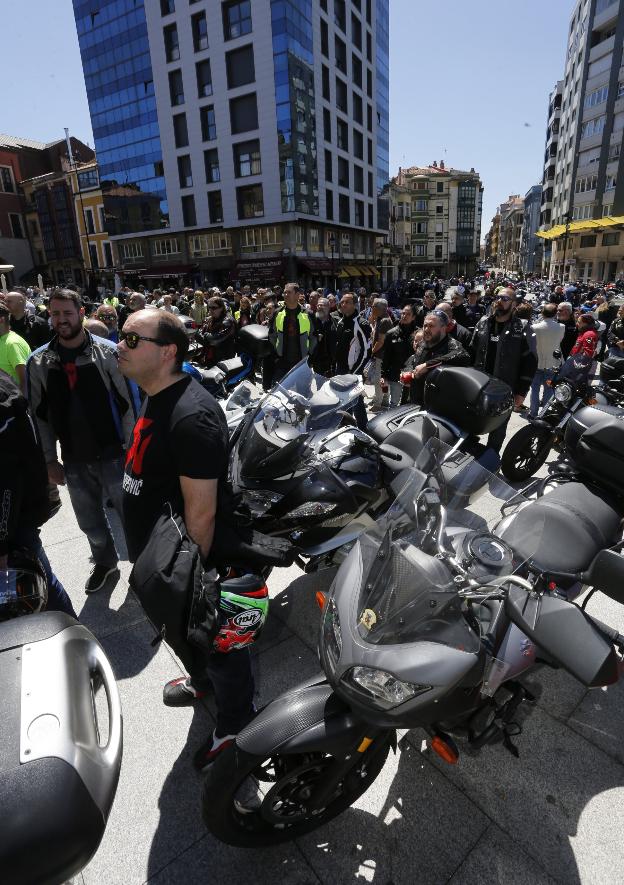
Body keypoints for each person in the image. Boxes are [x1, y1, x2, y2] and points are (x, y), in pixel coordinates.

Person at [118, 309, 255, 769]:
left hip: (188, 562)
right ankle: (202, 681)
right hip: (156, 552)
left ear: (167, 351)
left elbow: (202, 515)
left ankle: (235, 724)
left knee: (214, 638)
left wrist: (190, 589)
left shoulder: (192, 415)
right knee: (184, 636)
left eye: (132, 340)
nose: (121, 345)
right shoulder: (155, 394)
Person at [27, 289, 139, 593]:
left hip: (116, 453)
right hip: (75, 458)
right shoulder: (39, 361)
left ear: (81, 314)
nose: (61, 319)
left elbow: (129, 403)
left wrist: (133, 451)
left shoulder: (109, 353)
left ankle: (144, 567)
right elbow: (40, 417)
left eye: (67, 313)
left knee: (133, 516)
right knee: (90, 522)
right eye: (55, 313)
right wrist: (50, 459)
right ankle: (104, 563)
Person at [0, 373, 76, 617]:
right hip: (17, 516)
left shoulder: (3, 400)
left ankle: (70, 635)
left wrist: (1, 546)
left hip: (14, 524)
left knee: (39, 585)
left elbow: (7, 481)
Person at [471, 288, 537, 451]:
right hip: (479, 386)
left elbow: (530, 362)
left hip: (504, 390)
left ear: (514, 304)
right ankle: (469, 455)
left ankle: (491, 460)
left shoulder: (522, 328)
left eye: (505, 298)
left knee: (498, 431)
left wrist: (521, 392)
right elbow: (471, 352)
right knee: (472, 423)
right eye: (497, 298)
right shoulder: (483, 322)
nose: (499, 301)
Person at [401, 310, 470, 405]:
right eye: (425, 325)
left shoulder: (450, 344)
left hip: (437, 406)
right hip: (415, 402)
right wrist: (407, 371)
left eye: (431, 326)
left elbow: (462, 355)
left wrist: (427, 365)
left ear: (443, 328)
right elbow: (413, 360)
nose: (426, 329)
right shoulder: (422, 344)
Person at [334, 292, 371, 428]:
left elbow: (366, 351)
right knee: (343, 401)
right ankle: (345, 426)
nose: (343, 304)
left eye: (347, 302)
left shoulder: (361, 324)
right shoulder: (340, 322)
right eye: (342, 302)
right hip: (340, 369)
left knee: (357, 402)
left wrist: (355, 371)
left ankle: (363, 430)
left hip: (353, 371)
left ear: (354, 304)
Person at [268, 282, 315, 381]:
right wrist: (277, 353)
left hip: (301, 362)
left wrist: (309, 354)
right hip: (282, 361)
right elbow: (272, 335)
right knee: (278, 392)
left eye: (289, 292)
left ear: (297, 295)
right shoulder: (278, 313)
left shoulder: (308, 314)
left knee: (302, 393)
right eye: (284, 293)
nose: (285, 295)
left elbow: (313, 337)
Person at [529, 304, 564, 418]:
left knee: (534, 389)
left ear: (542, 313)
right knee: (548, 390)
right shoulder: (561, 327)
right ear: (555, 314)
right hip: (552, 363)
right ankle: (544, 414)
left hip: (537, 362)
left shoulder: (534, 327)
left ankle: (533, 413)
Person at [380, 303, 417, 407]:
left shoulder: (418, 333)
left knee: (409, 405)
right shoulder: (391, 333)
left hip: (412, 375)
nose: (404, 316)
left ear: (413, 317)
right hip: (395, 374)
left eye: (408, 314)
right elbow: (386, 356)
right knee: (394, 403)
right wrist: (383, 375)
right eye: (403, 313)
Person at [369, 298, 394, 411]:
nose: (371, 308)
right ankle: (384, 401)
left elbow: (381, 341)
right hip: (382, 355)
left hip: (381, 355)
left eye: (373, 306)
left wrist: (372, 351)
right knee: (383, 380)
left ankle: (378, 404)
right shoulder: (380, 319)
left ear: (380, 308)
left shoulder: (384, 321)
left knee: (378, 380)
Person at [0, 301, 30, 394]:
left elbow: (25, 381)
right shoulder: (3, 340)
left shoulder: (13, 344)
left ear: (1, 320)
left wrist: (21, 407)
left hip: (13, 405)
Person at [197, 296, 236, 367]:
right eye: (209, 307)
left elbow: (214, 340)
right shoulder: (211, 319)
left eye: (214, 308)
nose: (210, 310)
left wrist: (204, 334)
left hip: (223, 359)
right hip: (211, 356)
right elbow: (201, 336)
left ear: (221, 308)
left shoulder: (228, 321)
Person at [309, 296, 337, 376]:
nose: (319, 307)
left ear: (328, 307)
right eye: (318, 305)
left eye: (322, 305)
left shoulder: (335, 322)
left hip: (331, 362)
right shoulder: (312, 322)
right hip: (317, 361)